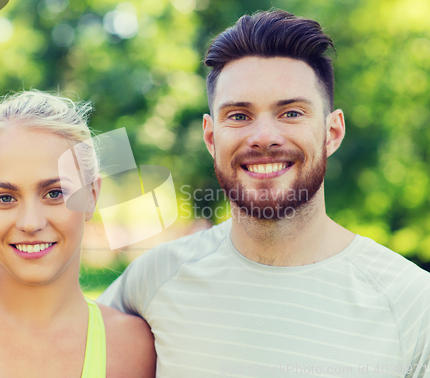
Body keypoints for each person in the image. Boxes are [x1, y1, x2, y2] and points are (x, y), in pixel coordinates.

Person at [98, 10, 430, 377]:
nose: (264, 137)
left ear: (332, 132)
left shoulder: (412, 303)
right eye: (239, 116)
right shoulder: (151, 280)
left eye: (290, 113)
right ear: (211, 137)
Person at [0, 91, 156, 377]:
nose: (30, 223)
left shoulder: (131, 349)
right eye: (5, 197)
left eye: (54, 193)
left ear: (91, 196)